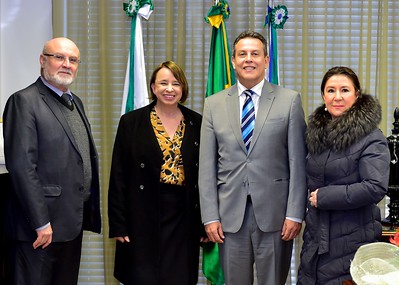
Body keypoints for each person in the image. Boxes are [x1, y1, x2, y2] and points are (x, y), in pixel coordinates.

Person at [198, 30, 307, 285]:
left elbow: (298, 163)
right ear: (233, 61)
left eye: (255, 54)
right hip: (229, 218)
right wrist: (210, 216)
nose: (249, 59)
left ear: (266, 60)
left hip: (276, 217)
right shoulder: (213, 104)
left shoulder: (289, 100)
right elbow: (206, 167)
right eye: (242, 54)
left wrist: (294, 214)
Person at [2, 37, 101, 285]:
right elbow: (22, 166)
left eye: (73, 60)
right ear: (42, 60)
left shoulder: (74, 102)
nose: (66, 64)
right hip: (38, 230)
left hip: (69, 226)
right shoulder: (23, 101)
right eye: (59, 57)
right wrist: (41, 222)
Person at [108, 61, 206, 285]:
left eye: (175, 83)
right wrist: (118, 223)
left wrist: (203, 223)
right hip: (141, 213)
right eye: (163, 83)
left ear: (183, 89)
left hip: (184, 215)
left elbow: (205, 178)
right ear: (153, 87)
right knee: (144, 276)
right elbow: (118, 175)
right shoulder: (131, 122)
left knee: (179, 276)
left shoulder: (198, 123)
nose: (169, 89)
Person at [297, 66, 390, 284]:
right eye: (330, 90)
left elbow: (375, 187)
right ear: (323, 95)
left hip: (353, 242)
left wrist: (325, 197)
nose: (337, 97)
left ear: (357, 95)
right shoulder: (315, 137)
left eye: (345, 90)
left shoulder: (371, 137)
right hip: (315, 240)